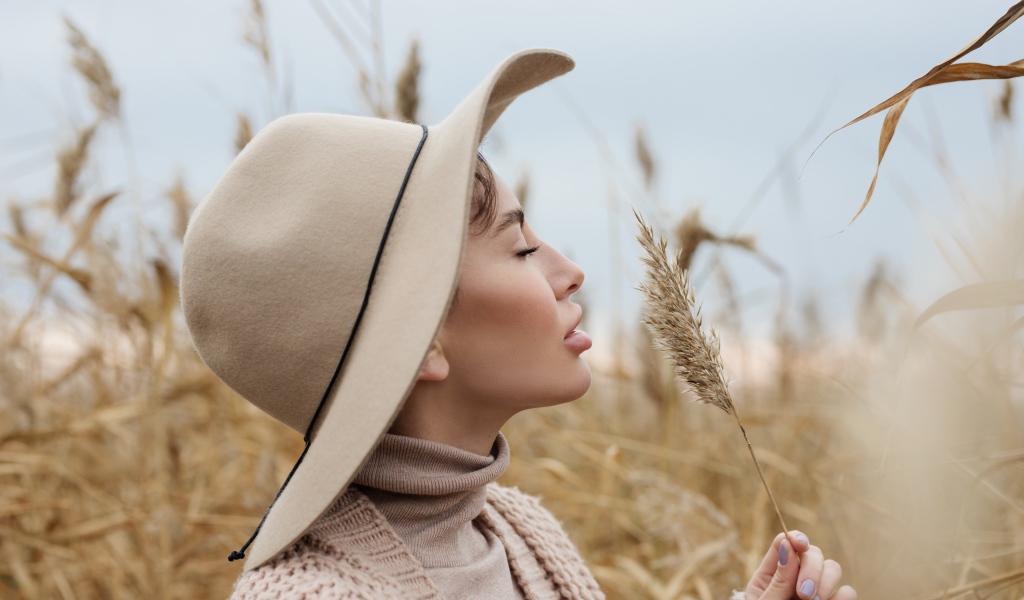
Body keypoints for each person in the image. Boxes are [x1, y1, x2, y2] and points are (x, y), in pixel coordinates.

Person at [179, 49, 856, 600]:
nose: (569, 271)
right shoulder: (315, 596)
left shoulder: (519, 530)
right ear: (424, 339)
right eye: (522, 249)